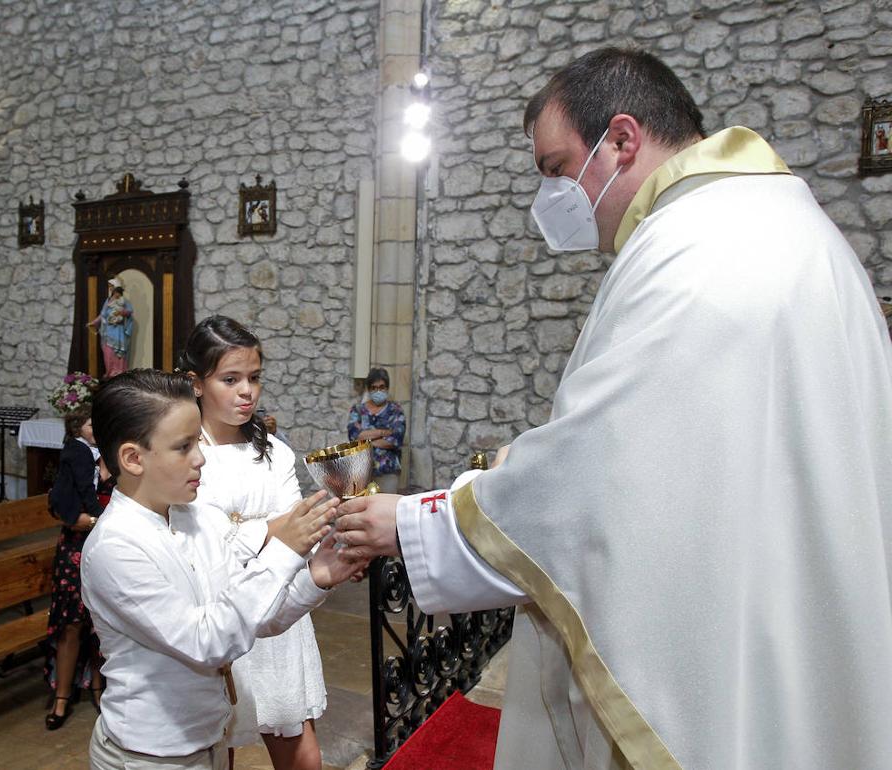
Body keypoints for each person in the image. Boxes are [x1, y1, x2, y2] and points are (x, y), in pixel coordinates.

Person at [335, 47, 892, 769]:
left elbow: (603, 484)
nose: (551, 197)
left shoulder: (699, 254)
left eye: (557, 168)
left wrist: (415, 522)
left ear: (623, 141)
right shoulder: (774, 223)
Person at [81, 369, 361, 770]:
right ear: (132, 458)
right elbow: (207, 640)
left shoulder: (192, 517)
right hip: (150, 756)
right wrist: (283, 550)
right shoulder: (115, 547)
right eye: (183, 446)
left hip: (204, 739)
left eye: (197, 440)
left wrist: (317, 574)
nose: (201, 458)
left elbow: (254, 615)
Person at [180, 315, 328, 769]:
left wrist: (290, 533)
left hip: (281, 603)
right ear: (196, 383)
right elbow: (206, 545)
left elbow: (300, 535)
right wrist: (273, 529)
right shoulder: (184, 452)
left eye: (255, 378)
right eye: (231, 379)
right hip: (220, 610)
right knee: (214, 745)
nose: (247, 391)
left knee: (300, 752)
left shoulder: (275, 451)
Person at [43, 407, 107, 730]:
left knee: (100, 623)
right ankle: (62, 696)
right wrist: (93, 520)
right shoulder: (76, 453)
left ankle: (98, 688)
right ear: (78, 427)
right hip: (75, 548)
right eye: (90, 422)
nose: (96, 427)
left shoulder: (113, 453)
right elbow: (60, 501)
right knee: (71, 624)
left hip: (107, 545)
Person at [345, 367, 406, 494]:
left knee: (386, 509)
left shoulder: (396, 410)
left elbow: (395, 440)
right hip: (361, 471)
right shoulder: (358, 410)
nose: (378, 391)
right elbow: (354, 437)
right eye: (374, 387)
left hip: (387, 471)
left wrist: (366, 440)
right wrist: (383, 433)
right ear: (369, 389)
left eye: (382, 387)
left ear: (387, 388)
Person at [87, 276, 134, 377]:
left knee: (118, 353)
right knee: (108, 353)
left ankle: (119, 372)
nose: (110, 288)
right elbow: (102, 314)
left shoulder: (123, 300)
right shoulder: (108, 300)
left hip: (118, 331)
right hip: (108, 331)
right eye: (109, 287)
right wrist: (94, 322)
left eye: (111, 286)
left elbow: (130, 311)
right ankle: (110, 371)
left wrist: (120, 312)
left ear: (116, 287)